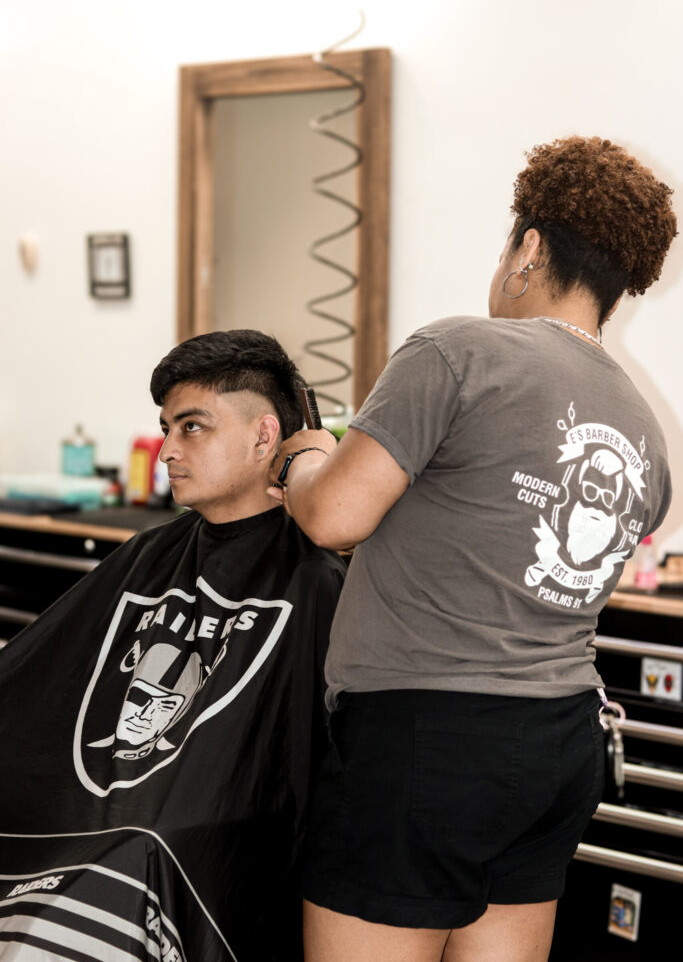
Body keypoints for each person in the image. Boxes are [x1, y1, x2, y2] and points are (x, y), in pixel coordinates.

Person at [267, 137, 677, 962]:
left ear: (527, 248)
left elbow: (335, 518)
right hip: (557, 745)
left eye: (506, 243)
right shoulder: (644, 429)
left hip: (425, 741)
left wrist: (303, 454)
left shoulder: (456, 352)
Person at [0, 330, 346, 962]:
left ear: (265, 436)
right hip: (115, 817)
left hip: (203, 837)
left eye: (191, 428)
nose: (165, 451)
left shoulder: (316, 574)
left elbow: (295, 766)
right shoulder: (147, 554)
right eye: (166, 428)